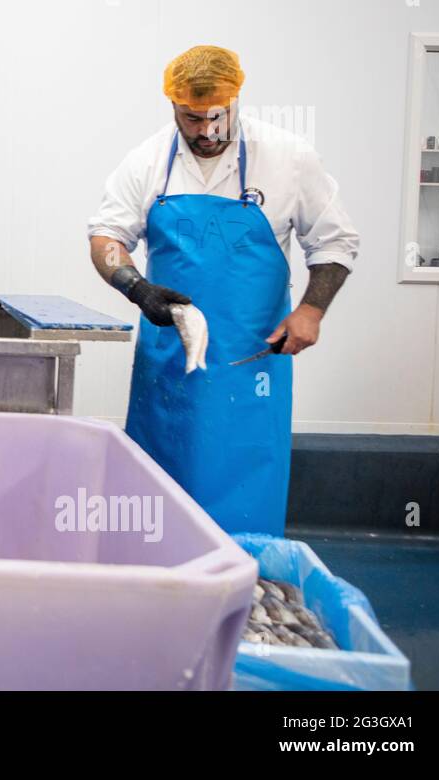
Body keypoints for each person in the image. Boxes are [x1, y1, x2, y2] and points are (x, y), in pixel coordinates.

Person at [87, 45, 358, 535]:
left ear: (236, 101)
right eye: (191, 119)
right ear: (173, 107)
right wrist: (136, 287)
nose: (206, 130)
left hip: (252, 364)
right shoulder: (147, 162)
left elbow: (335, 241)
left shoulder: (289, 159)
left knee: (247, 492)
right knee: (159, 497)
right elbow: (106, 237)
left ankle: (243, 585)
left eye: (217, 116)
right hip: (168, 362)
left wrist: (312, 310)